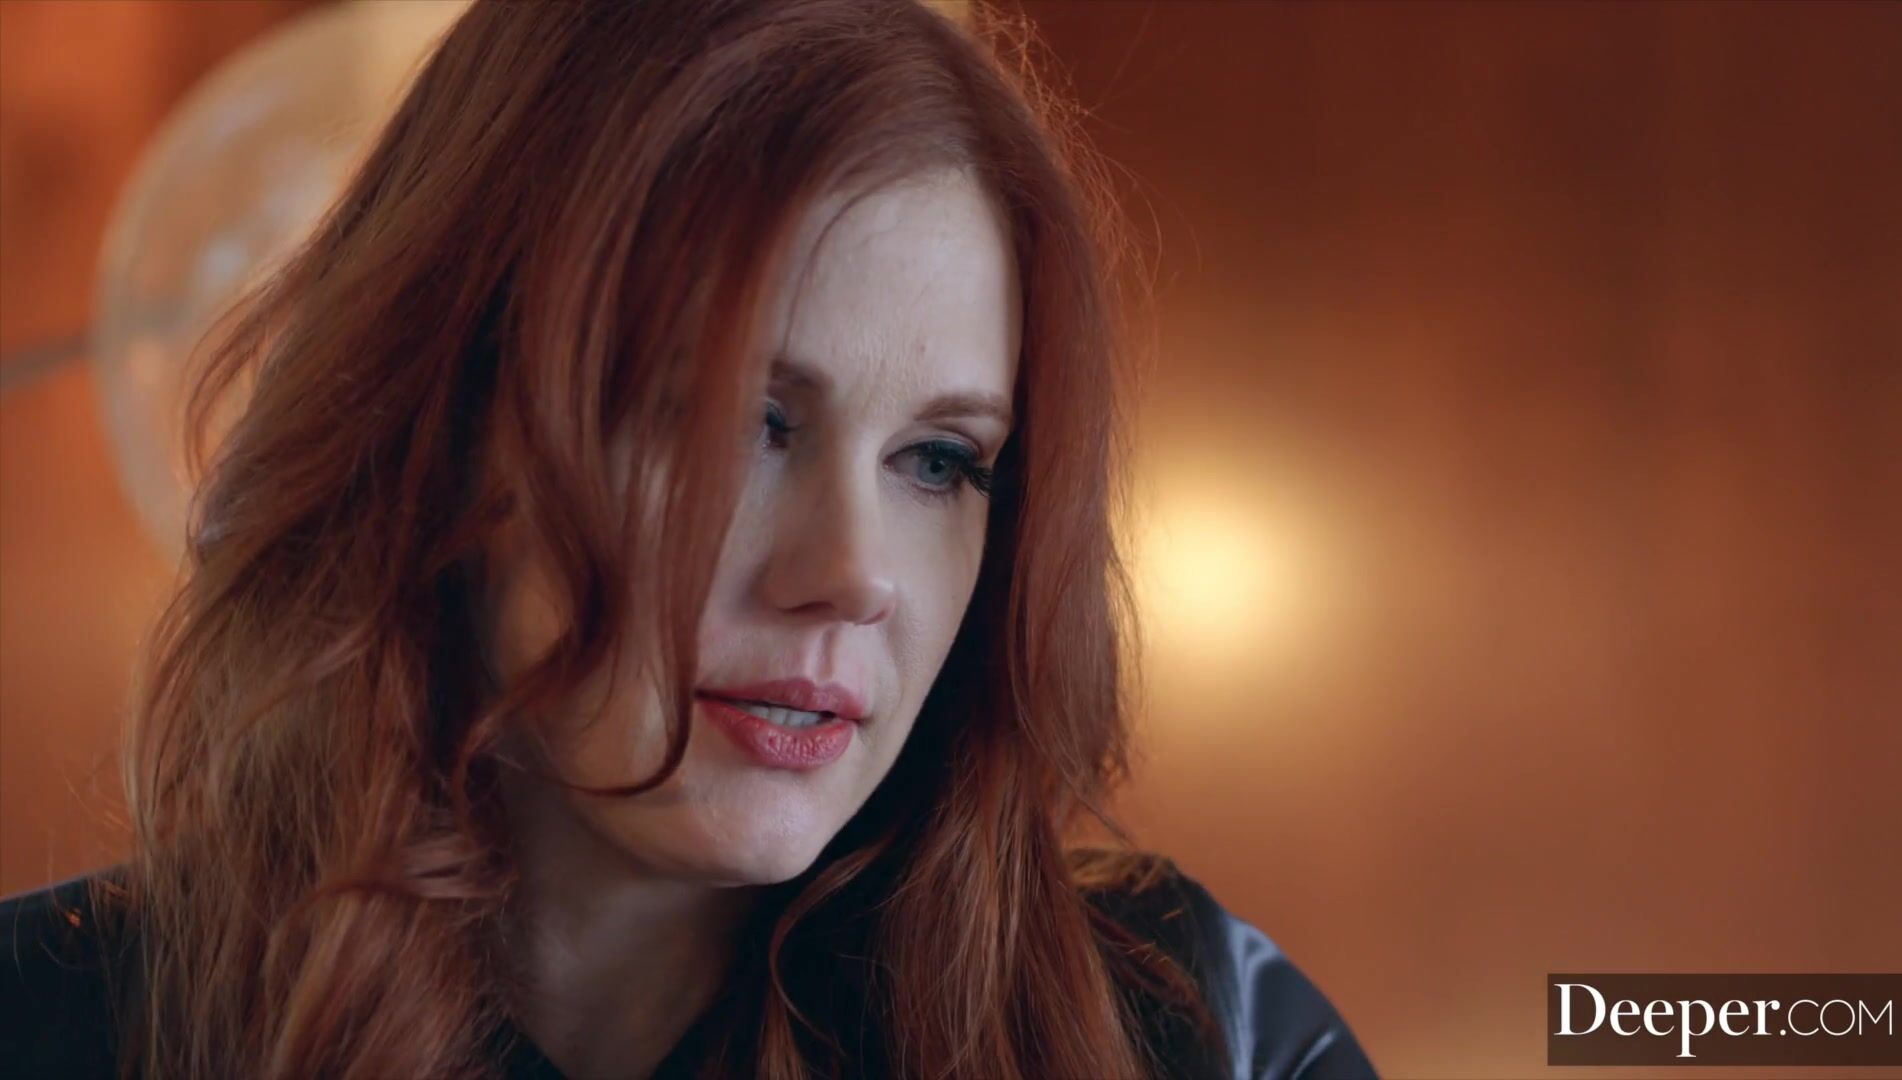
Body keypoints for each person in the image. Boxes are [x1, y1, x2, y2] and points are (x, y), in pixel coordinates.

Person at [0, 2, 1376, 1077]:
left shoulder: (1201, 1035)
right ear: (444, 421)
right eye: (741, 424)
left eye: (940, 461)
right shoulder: (50, 1021)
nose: (852, 574)